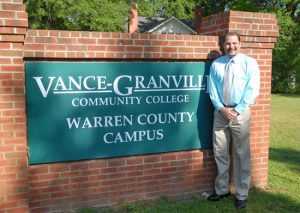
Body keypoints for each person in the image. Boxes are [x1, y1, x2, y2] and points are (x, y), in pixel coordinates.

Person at [207, 32, 260, 209]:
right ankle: (222, 190)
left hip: (241, 113)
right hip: (220, 113)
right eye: (228, 44)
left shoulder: (249, 63)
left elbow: (252, 90)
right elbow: (212, 89)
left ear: (240, 43)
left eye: (234, 43)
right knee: (220, 152)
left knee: (241, 155)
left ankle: (241, 194)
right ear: (223, 45)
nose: (231, 46)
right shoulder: (216, 64)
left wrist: (236, 110)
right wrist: (221, 108)